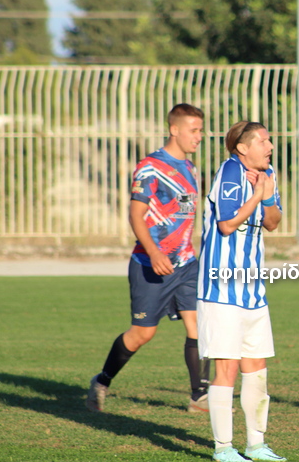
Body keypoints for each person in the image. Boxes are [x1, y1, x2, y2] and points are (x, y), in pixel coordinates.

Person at [86, 103, 210, 413]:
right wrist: (154, 252)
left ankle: (199, 397)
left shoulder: (191, 168)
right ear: (174, 130)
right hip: (150, 264)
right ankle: (102, 381)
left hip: (186, 264)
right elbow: (136, 214)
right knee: (142, 334)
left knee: (199, 325)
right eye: (194, 130)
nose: (199, 136)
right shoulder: (150, 167)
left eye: (201, 130)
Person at [196, 121, 285, 462]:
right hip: (221, 289)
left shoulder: (267, 173)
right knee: (227, 368)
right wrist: (257, 196)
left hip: (252, 289)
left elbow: (272, 222)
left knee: (257, 367)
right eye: (263, 141)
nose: (270, 146)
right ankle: (223, 448)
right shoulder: (230, 171)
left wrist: (268, 193)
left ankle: (256, 445)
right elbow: (226, 224)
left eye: (269, 140)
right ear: (243, 148)